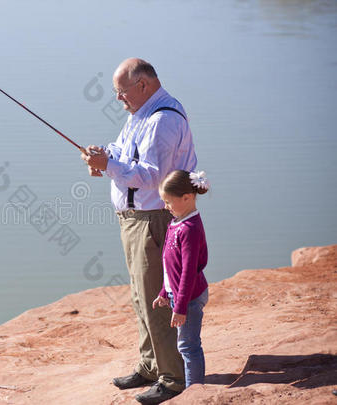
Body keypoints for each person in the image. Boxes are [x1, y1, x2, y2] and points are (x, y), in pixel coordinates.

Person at [81, 58, 197, 404]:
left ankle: (173, 378)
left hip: (153, 220)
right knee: (139, 297)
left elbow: (152, 176)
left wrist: (109, 167)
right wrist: (105, 156)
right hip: (133, 221)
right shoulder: (140, 114)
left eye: (121, 92)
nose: (119, 99)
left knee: (156, 300)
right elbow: (123, 151)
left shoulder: (162, 120)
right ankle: (150, 365)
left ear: (143, 85)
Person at [153, 170, 210, 389]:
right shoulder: (176, 223)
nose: (165, 206)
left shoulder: (190, 228)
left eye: (168, 201)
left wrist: (182, 307)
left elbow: (187, 271)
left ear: (187, 197)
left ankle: (194, 392)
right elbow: (171, 268)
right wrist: (164, 292)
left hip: (190, 297)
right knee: (185, 344)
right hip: (180, 295)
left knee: (189, 346)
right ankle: (193, 388)